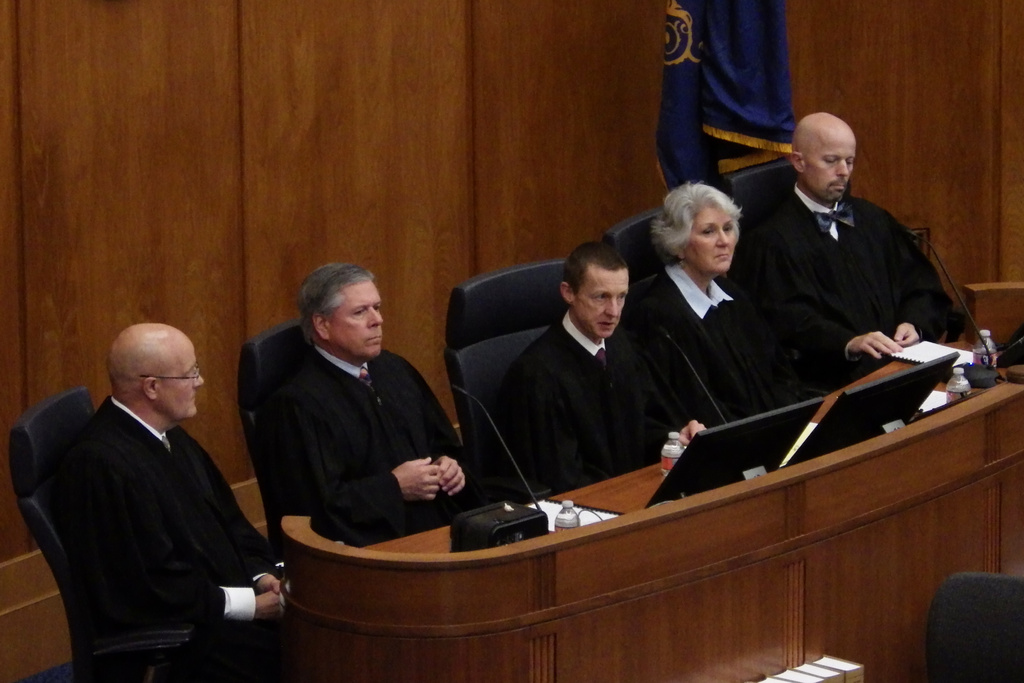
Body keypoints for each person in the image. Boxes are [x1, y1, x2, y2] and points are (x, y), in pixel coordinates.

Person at [53, 323, 282, 683]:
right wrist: (249, 605)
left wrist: (261, 574)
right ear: (152, 387)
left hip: (221, 609)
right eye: (190, 373)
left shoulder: (170, 438)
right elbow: (145, 590)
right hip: (187, 641)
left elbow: (231, 523)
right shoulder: (100, 468)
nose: (199, 382)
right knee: (319, 654)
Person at [256, 263, 484, 547]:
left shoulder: (395, 370)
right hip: (377, 553)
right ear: (322, 325)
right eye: (360, 312)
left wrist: (450, 466)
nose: (377, 320)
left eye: (377, 307)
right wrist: (394, 487)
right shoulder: (297, 406)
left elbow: (444, 443)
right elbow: (314, 510)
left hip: (442, 528)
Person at [731, 112, 951, 391]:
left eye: (849, 161)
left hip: (900, 368)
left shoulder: (874, 220)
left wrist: (914, 323)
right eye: (831, 161)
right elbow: (785, 323)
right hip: (831, 384)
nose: (844, 172)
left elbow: (919, 284)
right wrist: (848, 342)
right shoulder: (771, 243)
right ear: (798, 161)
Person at [497, 242, 703, 495]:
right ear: (568, 293)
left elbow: (647, 425)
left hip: (639, 496)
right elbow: (560, 477)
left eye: (621, 297)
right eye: (601, 297)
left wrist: (675, 439)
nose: (613, 312)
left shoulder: (624, 347)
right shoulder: (538, 376)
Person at [627, 183, 812, 426]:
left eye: (728, 228)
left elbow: (778, 370)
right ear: (678, 245)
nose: (724, 241)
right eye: (708, 232)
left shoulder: (732, 294)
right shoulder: (660, 317)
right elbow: (699, 408)